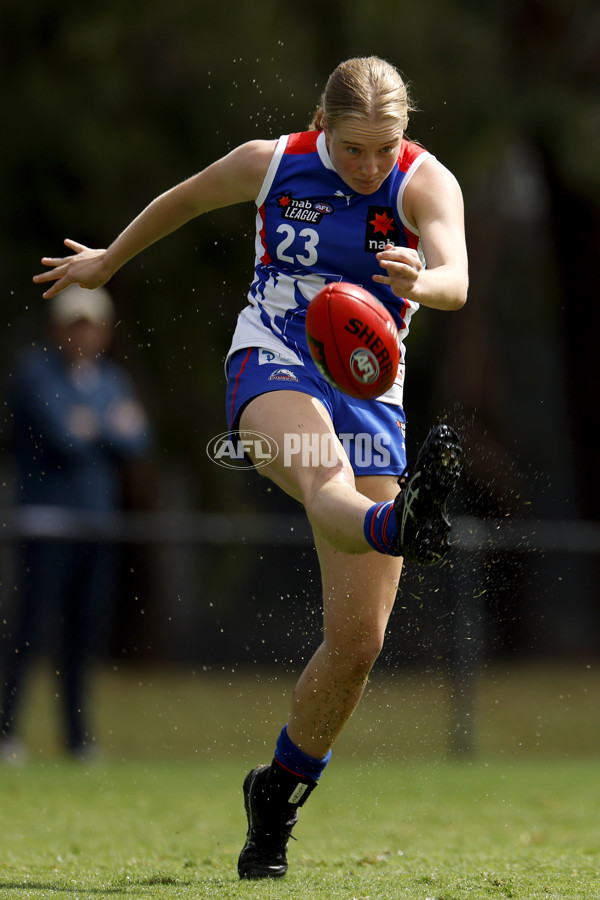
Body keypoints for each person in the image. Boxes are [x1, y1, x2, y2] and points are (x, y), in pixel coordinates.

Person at [32, 56, 467, 875]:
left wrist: (427, 280)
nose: (371, 165)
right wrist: (108, 261)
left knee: (358, 644)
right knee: (320, 478)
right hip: (275, 359)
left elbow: (458, 274)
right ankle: (394, 520)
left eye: (386, 147)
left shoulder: (423, 181)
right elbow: (187, 199)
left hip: (372, 389)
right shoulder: (269, 164)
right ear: (322, 125)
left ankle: (277, 792)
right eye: (354, 149)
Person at [1, 285, 152, 761]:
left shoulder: (109, 378)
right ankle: (6, 732)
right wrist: (109, 425)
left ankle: (77, 739)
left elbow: (139, 440)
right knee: (30, 629)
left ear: (105, 332)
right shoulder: (34, 371)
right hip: (45, 523)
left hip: (96, 524)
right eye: (74, 324)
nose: (82, 334)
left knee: (82, 634)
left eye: (90, 325)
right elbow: (64, 434)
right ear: (58, 328)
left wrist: (95, 424)